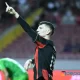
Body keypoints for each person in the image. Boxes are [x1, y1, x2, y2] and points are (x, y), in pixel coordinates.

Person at [5, 2, 56, 80]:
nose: (37, 30)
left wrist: (15, 14)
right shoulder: (48, 47)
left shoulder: (45, 43)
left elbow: (28, 30)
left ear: (48, 31)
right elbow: (44, 61)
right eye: (38, 28)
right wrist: (31, 61)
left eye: (41, 28)